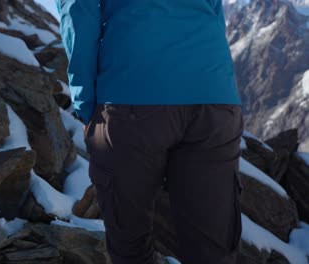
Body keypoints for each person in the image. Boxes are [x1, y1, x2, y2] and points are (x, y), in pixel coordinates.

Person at [56, 0, 244, 263]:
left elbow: (78, 10)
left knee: (131, 248)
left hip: (131, 95)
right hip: (214, 98)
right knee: (213, 251)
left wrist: (87, 105)